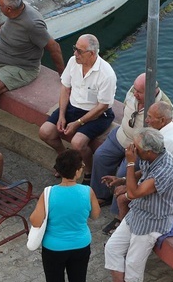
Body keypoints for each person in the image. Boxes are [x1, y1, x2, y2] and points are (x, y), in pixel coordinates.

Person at [90, 128, 173, 282]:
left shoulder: (166, 169)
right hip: (138, 213)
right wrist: (121, 179)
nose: (132, 149)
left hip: (154, 221)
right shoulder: (151, 158)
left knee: (132, 264)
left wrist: (129, 162)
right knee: (112, 249)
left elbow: (134, 193)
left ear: (148, 151)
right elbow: (142, 174)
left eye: (136, 147)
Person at [30, 149, 101, 282]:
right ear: (78, 171)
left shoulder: (48, 193)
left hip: (53, 249)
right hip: (80, 246)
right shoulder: (87, 192)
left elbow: (35, 220)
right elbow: (95, 215)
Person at [102, 101, 173, 234]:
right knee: (123, 189)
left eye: (150, 117)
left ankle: (123, 227)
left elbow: (147, 180)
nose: (147, 120)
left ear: (162, 120)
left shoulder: (162, 143)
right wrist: (122, 180)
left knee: (122, 197)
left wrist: (130, 165)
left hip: (171, 190)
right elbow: (148, 170)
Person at [38, 34, 116, 180]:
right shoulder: (73, 62)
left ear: (91, 53)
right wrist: (61, 115)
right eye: (75, 48)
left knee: (78, 143)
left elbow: (102, 106)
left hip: (96, 114)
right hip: (73, 107)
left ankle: (89, 172)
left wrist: (78, 123)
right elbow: (65, 88)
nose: (75, 53)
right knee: (45, 132)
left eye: (79, 51)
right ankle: (66, 161)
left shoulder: (107, 74)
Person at [90, 73, 172, 207]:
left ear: (151, 92)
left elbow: (162, 136)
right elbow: (124, 107)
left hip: (140, 148)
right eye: (134, 89)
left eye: (139, 92)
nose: (134, 94)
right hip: (121, 135)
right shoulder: (132, 92)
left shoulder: (165, 108)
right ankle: (100, 195)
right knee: (100, 156)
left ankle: (118, 211)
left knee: (125, 173)